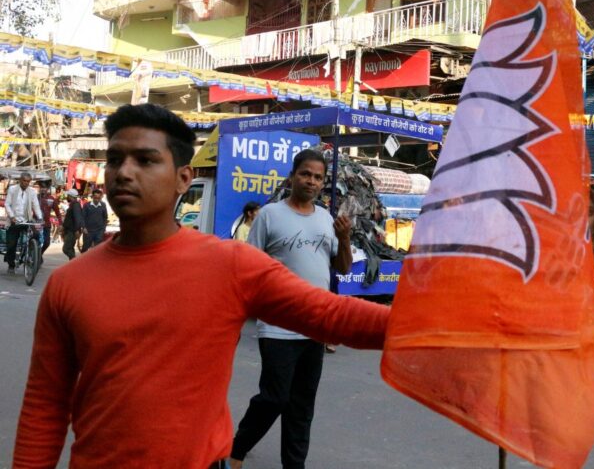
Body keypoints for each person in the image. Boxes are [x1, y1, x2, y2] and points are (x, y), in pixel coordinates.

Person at [14, 104, 388, 469]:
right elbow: (44, 406)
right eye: (114, 160)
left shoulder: (229, 265)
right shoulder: (68, 283)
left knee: (296, 407)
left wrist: (420, 325)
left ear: (183, 178)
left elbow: (331, 314)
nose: (124, 172)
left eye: (145, 160)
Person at [229, 149, 352, 469]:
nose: (311, 181)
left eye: (318, 177)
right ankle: (236, 450)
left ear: (323, 183)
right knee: (274, 397)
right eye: (305, 174)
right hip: (278, 325)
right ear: (292, 176)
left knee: (301, 406)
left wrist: (344, 238)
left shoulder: (326, 219)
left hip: (315, 326)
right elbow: (249, 267)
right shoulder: (270, 215)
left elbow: (342, 267)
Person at [3, 172, 43, 274]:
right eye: (24, 181)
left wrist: (40, 218)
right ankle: (11, 264)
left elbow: (36, 205)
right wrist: (12, 216)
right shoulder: (12, 189)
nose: (26, 183)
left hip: (27, 220)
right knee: (11, 244)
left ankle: (31, 255)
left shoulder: (32, 191)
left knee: (36, 235)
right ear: (20, 180)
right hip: (14, 221)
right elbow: (7, 204)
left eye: (28, 181)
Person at [37, 183, 62, 254]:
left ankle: (39, 254)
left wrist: (60, 223)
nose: (43, 189)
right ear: (39, 189)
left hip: (46, 224)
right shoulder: (35, 197)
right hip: (36, 223)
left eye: (44, 188)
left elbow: (57, 212)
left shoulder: (51, 199)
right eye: (41, 188)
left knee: (47, 242)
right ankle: (34, 254)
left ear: (47, 189)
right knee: (35, 240)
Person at [61, 189, 84, 260]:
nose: (67, 196)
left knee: (66, 249)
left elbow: (78, 218)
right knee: (70, 248)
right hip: (70, 230)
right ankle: (72, 262)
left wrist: (77, 230)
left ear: (70, 196)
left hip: (72, 231)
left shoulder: (76, 205)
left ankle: (74, 261)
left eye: (68, 195)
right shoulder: (73, 204)